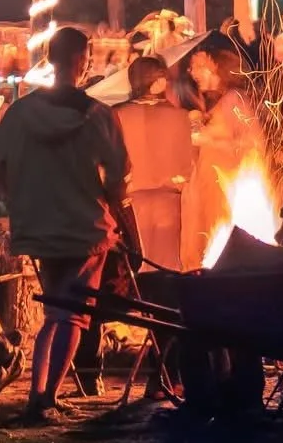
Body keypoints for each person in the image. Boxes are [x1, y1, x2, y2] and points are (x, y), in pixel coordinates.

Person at [0, 25, 136, 425]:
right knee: (70, 314)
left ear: (50, 59)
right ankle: (45, 398)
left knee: (56, 306)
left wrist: (23, 197)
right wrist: (113, 205)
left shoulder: (19, 114)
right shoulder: (99, 116)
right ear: (81, 60)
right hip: (85, 227)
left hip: (38, 225)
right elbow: (119, 174)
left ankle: (40, 392)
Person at [180, 42, 264, 272]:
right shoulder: (219, 102)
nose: (193, 73)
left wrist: (204, 137)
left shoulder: (234, 100)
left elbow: (252, 143)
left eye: (199, 66)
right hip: (211, 186)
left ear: (217, 68)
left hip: (223, 187)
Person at [113, 54, 193, 269]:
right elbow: (188, 165)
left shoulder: (116, 115)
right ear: (156, 82)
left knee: (135, 267)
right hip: (168, 201)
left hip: (129, 203)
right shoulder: (181, 117)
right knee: (166, 267)